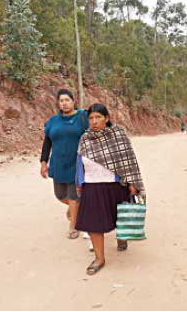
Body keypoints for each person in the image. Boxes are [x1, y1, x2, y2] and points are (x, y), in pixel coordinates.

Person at [75, 103, 146, 275]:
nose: (94, 121)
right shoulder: (85, 138)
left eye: (98, 117)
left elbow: (128, 160)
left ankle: (122, 238)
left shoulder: (119, 135)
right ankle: (99, 258)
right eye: (91, 118)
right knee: (93, 223)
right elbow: (79, 161)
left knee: (119, 216)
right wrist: (79, 182)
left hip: (115, 184)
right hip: (92, 185)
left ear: (106, 118)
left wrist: (132, 184)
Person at [40, 89, 88, 239]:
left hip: (77, 163)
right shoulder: (53, 121)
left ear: (73, 101)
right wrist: (43, 162)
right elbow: (47, 142)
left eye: (67, 100)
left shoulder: (83, 117)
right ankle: (76, 210)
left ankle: (73, 227)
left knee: (74, 196)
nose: (64, 103)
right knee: (60, 195)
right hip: (58, 163)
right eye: (61, 101)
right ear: (58, 103)